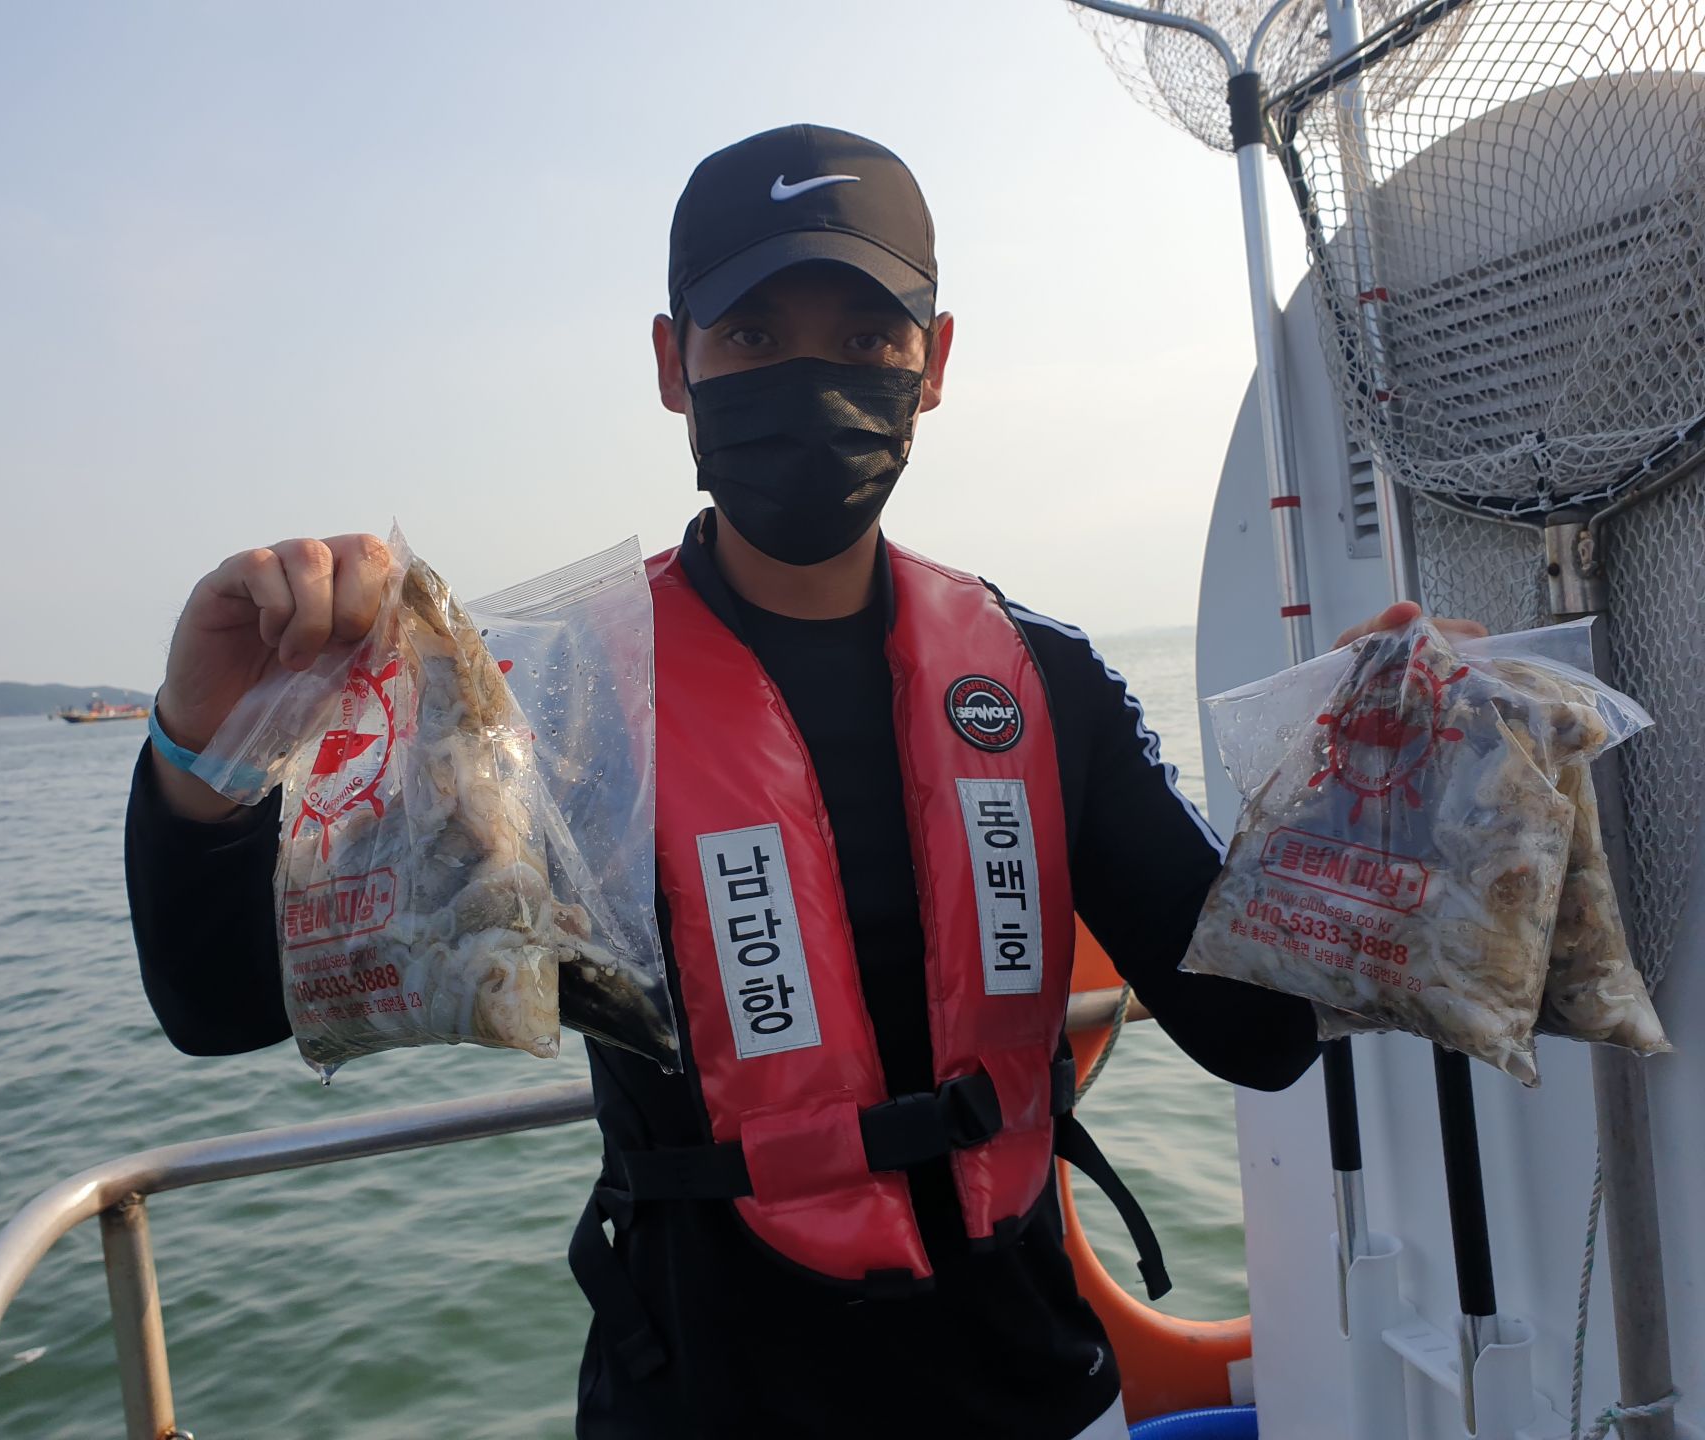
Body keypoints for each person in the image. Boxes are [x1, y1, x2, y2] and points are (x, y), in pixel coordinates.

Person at [125, 123, 1479, 1438]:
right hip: (702, 1399)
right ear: (676, 365)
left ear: (934, 365)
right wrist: (210, 748)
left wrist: (1383, 782)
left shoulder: (1042, 681)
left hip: (1038, 1392)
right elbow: (225, 1000)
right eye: (757, 337)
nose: (813, 382)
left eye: (869, 339)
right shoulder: (566, 704)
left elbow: (1257, 1031)